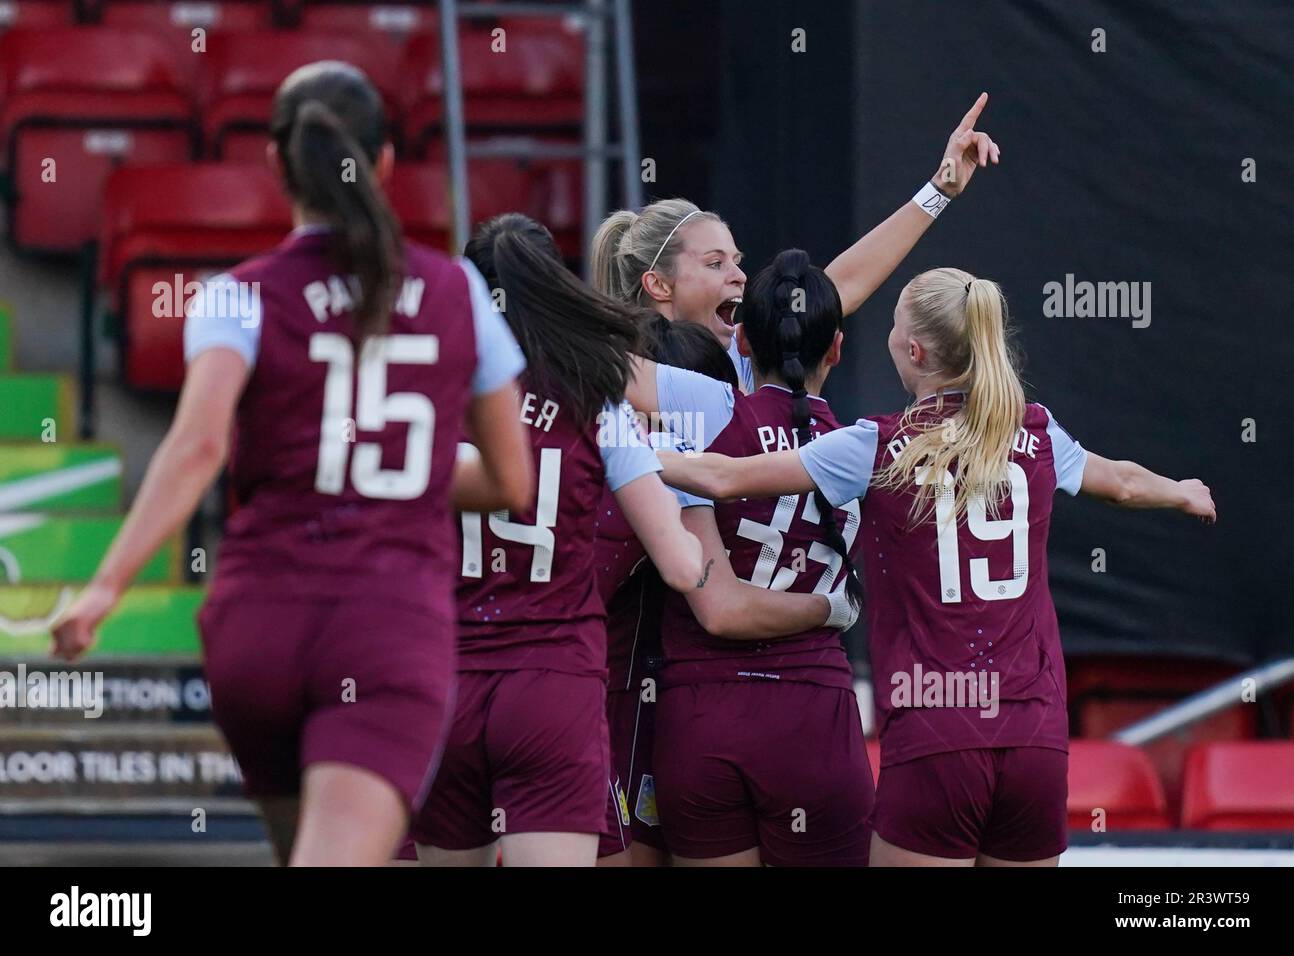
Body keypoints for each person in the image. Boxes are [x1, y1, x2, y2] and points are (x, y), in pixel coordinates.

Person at [49, 62, 535, 866]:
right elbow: (511, 481)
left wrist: (106, 585)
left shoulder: (235, 296)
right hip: (384, 630)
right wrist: (395, 466)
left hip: (255, 633)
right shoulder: (458, 292)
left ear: (275, 163)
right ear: (384, 164)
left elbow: (199, 444)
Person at [656, 267, 1216, 867]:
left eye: (894, 327)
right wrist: (1182, 491)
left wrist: (623, 450)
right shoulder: (1036, 431)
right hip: (1034, 736)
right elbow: (1125, 485)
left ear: (914, 350)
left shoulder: (877, 444)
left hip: (935, 731)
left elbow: (722, 476)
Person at [410, 214, 708, 867]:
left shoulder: (427, 397)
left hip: (445, 684)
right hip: (551, 688)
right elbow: (684, 566)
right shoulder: (593, 397)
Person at [625, 250, 874, 866]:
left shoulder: (707, 414)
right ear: (837, 349)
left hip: (701, 716)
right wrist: (831, 608)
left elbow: (586, 364)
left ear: (739, 338)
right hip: (813, 714)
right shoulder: (869, 442)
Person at [591, 94, 1001, 391]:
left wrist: (940, 190)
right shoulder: (607, 373)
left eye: (736, 260)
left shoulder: (750, 348)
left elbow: (839, 287)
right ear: (658, 284)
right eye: (715, 263)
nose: (739, 277)